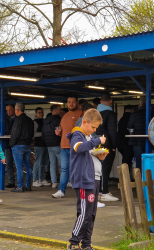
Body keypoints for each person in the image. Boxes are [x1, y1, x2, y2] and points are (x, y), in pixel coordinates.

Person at [67, 109, 107, 250]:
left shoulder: (88, 137)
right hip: (84, 179)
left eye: (96, 128)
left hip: (94, 178)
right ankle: (73, 242)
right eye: (93, 127)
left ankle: (86, 243)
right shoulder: (77, 134)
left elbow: (88, 155)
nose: (94, 130)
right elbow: (79, 148)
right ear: (85, 122)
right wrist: (98, 141)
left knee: (91, 213)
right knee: (84, 212)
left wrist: (99, 157)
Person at [52, 96, 82, 198]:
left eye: (73, 102)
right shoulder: (64, 116)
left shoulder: (81, 114)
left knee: (78, 169)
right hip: (64, 147)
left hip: (76, 147)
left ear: (77, 103)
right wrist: (58, 132)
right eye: (69, 102)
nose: (71, 104)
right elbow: (62, 130)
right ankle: (61, 190)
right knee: (64, 169)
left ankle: (82, 191)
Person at [96, 93, 118, 201]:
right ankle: (104, 192)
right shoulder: (110, 114)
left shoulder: (96, 113)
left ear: (100, 101)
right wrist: (113, 146)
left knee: (98, 168)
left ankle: (99, 191)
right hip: (106, 144)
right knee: (106, 168)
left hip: (96, 143)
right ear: (110, 101)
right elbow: (112, 131)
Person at [9, 102, 34, 192]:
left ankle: (20, 186)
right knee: (28, 166)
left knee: (19, 166)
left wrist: (11, 144)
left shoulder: (18, 120)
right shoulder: (30, 120)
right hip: (27, 145)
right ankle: (28, 185)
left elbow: (15, 134)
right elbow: (32, 133)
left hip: (18, 146)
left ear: (17, 110)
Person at [42, 104, 61, 188]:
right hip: (57, 143)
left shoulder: (45, 120)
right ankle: (65, 181)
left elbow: (43, 133)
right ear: (55, 110)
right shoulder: (58, 119)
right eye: (59, 110)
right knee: (61, 163)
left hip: (48, 144)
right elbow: (59, 131)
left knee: (52, 163)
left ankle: (54, 182)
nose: (60, 111)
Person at [0, 104, 16, 188]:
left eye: (10, 110)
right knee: (8, 164)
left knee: (17, 164)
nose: (8, 112)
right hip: (7, 145)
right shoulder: (4, 120)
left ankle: (19, 183)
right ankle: (11, 181)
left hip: (16, 144)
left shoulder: (17, 119)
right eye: (7, 110)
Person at [33, 107, 51, 187]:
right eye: (39, 112)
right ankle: (35, 180)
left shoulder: (44, 121)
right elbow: (34, 134)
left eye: (41, 112)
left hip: (45, 144)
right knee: (38, 162)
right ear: (36, 114)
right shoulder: (35, 122)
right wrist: (44, 134)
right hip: (38, 145)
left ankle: (41, 179)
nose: (41, 114)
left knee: (43, 163)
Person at [128, 97, 147, 171]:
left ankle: (140, 180)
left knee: (139, 163)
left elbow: (129, 127)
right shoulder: (152, 114)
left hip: (137, 142)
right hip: (150, 142)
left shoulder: (134, 115)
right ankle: (149, 180)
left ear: (139, 104)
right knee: (150, 161)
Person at [117, 105, 134, 176]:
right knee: (127, 161)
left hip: (119, 143)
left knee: (124, 160)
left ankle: (124, 179)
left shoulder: (121, 119)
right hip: (127, 143)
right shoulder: (131, 118)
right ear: (132, 110)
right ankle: (125, 179)